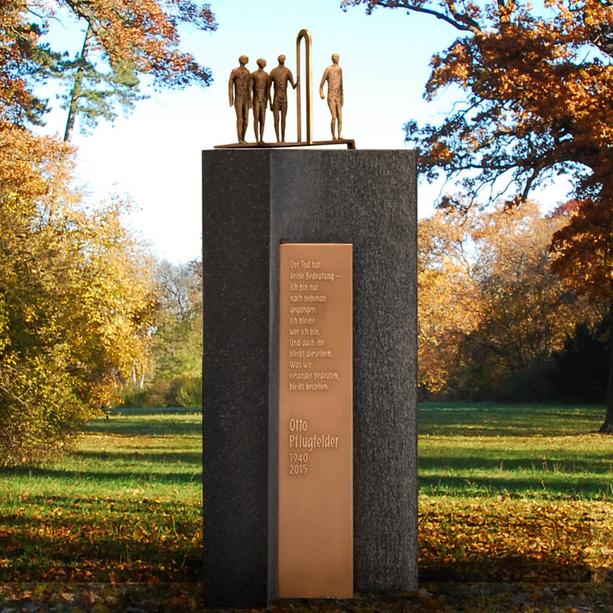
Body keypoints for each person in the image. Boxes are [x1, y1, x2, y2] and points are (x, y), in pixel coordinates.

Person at [269, 55, 297, 143]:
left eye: (283, 59)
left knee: (283, 120)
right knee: (276, 119)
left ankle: (283, 139)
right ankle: (278, 139)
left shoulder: (287, 71)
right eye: (281, 59)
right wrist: (270, 103)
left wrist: (297, 81)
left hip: (284, 99)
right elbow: (268, 88)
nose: (283, 60)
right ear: (279, 60)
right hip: (276, 98)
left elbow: (293, 86)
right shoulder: (273, 72)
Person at [319, 53, 344, 141]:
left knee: (340, 117)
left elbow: (341, 85)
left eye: (338, 57)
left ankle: (339, 134)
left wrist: (342, 98)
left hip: (338, 96)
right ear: (332, 58)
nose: (337, 58)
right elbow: (321, 84)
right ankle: (333, 136)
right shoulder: (328, 69)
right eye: (335, 57)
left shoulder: (340, 69)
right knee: (334, 116)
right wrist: (321, 93)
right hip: (331, 96)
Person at [228, 55, 251, 143]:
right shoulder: (235, 71)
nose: (247, 60)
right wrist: (231, 98)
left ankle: (243, 138)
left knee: (246, 119)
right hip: (239, 97)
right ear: (241, 60)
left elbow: (249, 87)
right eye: (245, 59)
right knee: (240, 118)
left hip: (246, 98)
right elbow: (230, 84)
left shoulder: (248, 72)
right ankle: (240, 139)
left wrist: (250, 100)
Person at [251, 58, 270, 143]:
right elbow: (250, 88)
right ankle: (256, 139)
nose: (265, 63)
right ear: (259, 63)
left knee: (262, 119)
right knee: (256, 118)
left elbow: (268, 89)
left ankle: (261, 138)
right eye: (263, 62)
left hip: (263, 99)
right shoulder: (253, 74)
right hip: (256, 99)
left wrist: (268, 101)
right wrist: (250, 101)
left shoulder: (266, 75)